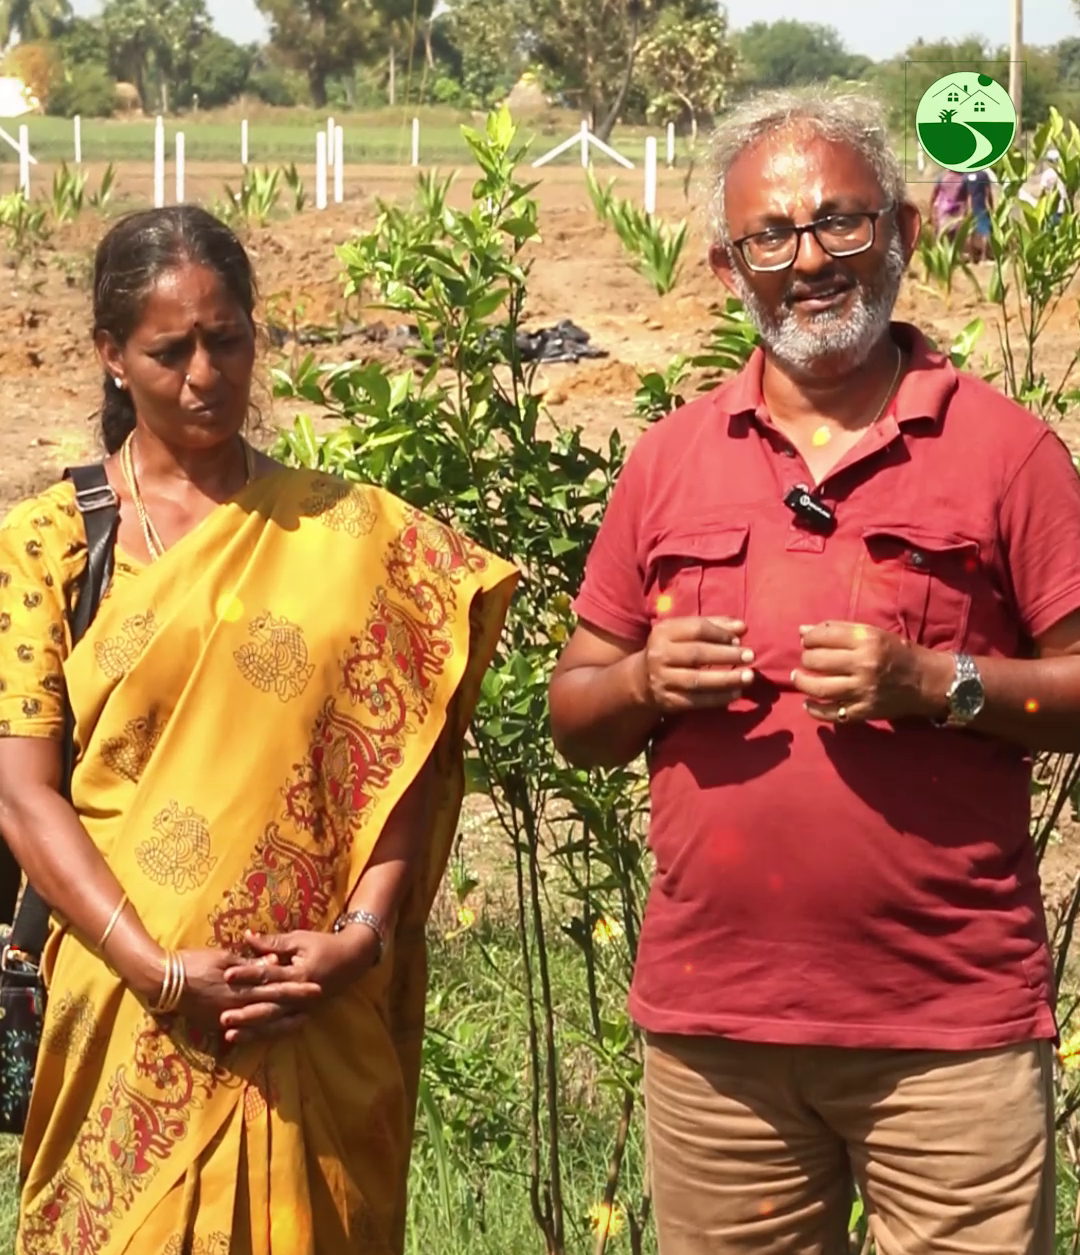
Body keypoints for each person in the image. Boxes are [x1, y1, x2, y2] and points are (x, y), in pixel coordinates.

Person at [549, 84, 1080, 1255]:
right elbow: (573, 706)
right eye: (772, 237)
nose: (810, 260)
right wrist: (642, 682)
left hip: (948, 1033)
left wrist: (937, 682)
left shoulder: (1006, 452)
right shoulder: (670, 461)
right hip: (718, 1040)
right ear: (725, 265)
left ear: (901, 227)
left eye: (840, 223)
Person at [0, 205, 518, 1254]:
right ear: (111, 354)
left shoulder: (351, 534)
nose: (204, 372)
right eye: (169, 349)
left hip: (314, 1009)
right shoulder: (48, 545)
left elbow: (406, 752)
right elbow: (23, 792)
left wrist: (360, 938)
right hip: (126, 1006)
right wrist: (159, 968)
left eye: (228, 339)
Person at [929, 165, 968, 240]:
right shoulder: (942, 176)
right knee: (942, 238)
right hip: (944, 214)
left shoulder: (964, 179)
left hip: (958, 215)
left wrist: (966, 215)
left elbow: (967, 198)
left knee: (955, 240)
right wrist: (931, 213)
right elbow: (933, 195)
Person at [966, 166, 993, 260]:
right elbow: (988, 192)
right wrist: (991, 206)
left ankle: (971, 257)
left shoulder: (966, 176)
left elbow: (966, 194)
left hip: (971, 207)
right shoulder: (983, 175)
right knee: (985, 231)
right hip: (981, 206)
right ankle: (984, 256)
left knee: (970, 232)